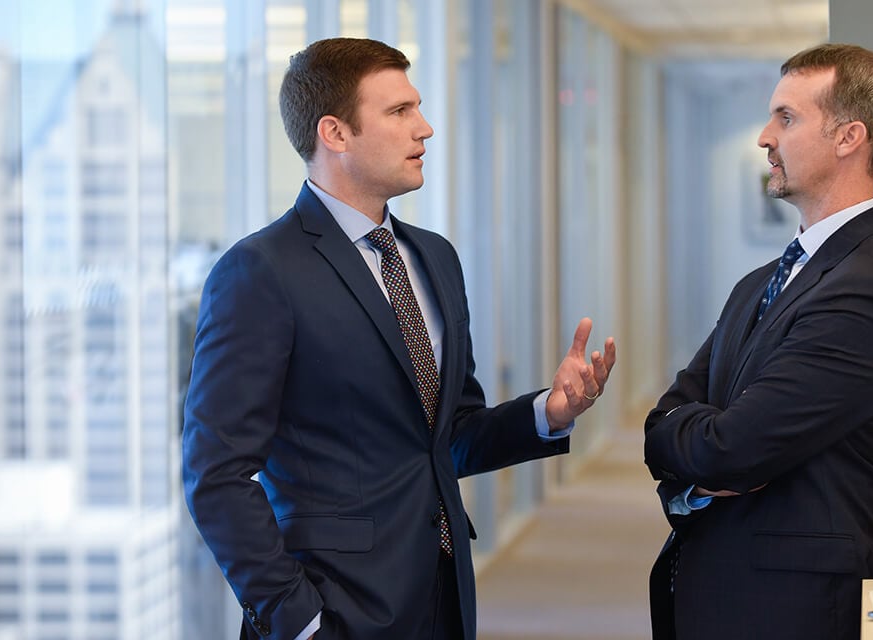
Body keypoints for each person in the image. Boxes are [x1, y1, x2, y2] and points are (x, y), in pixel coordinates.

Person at [183, 37, 615, 640]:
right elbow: (216, 474)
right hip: (333, 610)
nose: (426, 128)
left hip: (443, 594)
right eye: (399, 112)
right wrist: (299, 619)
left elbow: (448, 438)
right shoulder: (260, 271)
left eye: (417, 107)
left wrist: (549, 411)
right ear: (335, 133)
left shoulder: (434, 258)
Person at [642, 43, 873, 639]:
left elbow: (730, 451)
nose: (765, 137)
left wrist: (697, 443)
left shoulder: (866, 293)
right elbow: (662, 419)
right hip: (729, 592)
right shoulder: (761, 283)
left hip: (794, 611)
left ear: (849, 137)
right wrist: (689, 439)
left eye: (787, 118)